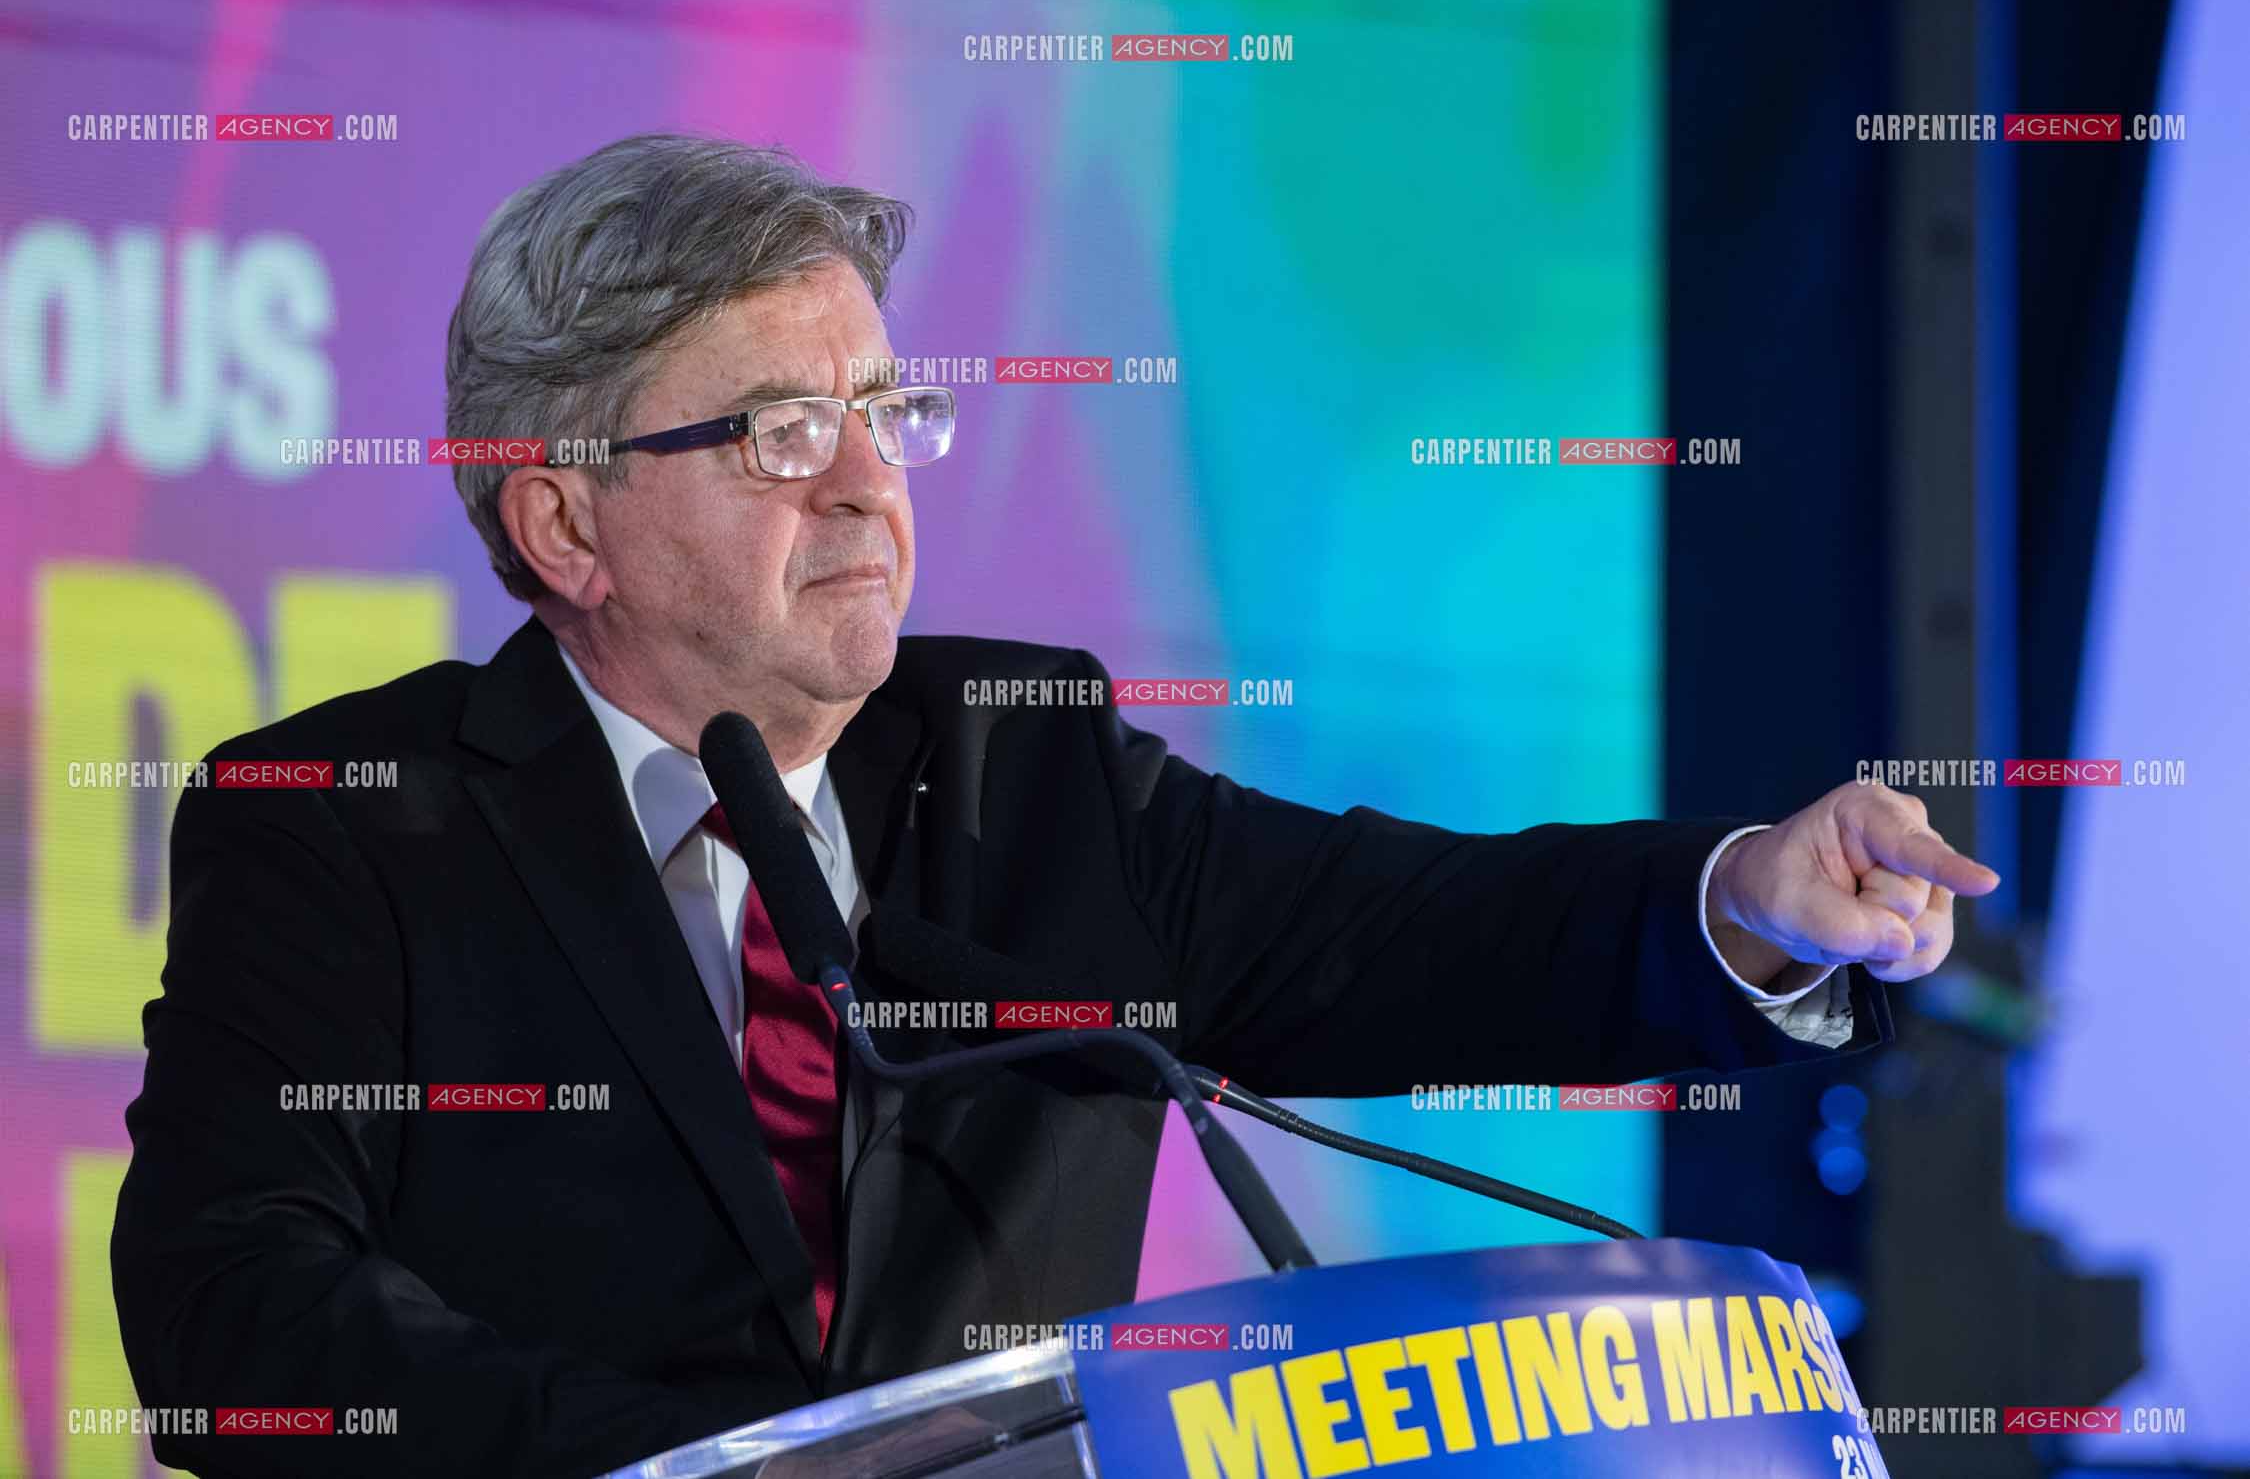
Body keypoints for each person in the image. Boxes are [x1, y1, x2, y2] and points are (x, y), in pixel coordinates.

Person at [111, 134, 1997, 1479]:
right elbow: (232, 1320)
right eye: (778, 432)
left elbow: (1407, 935)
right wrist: (734, 1472)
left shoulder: (1023, 762)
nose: (869, 486)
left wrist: (1741, 896)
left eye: (885, 407)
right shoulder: (347, 824)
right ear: (561, 522)